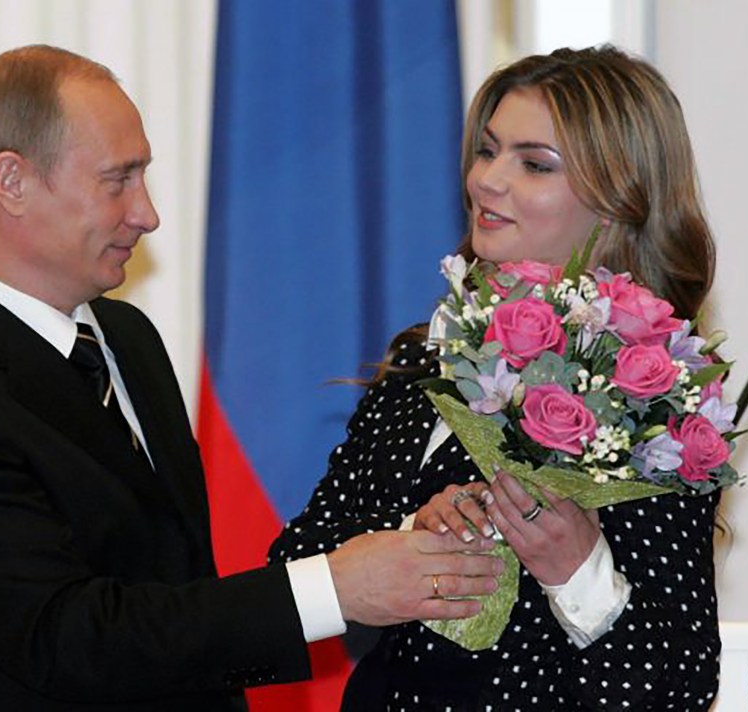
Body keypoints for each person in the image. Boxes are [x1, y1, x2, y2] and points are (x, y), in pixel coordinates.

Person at [0, 45, 505, 711]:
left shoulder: (127, 341)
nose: (147, 213)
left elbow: (172, 590)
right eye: (118, 180)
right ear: (11, 182)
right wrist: (335, 589)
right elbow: (70, 640)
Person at [270, 45, 720, 711]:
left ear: (618, 200)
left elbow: (676, 685)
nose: (486, 180)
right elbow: (295, 565)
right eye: (487, 151)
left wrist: (578, 570)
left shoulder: (657, 395)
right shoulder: (429, 356)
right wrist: (409, 536)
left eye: (534, 163)